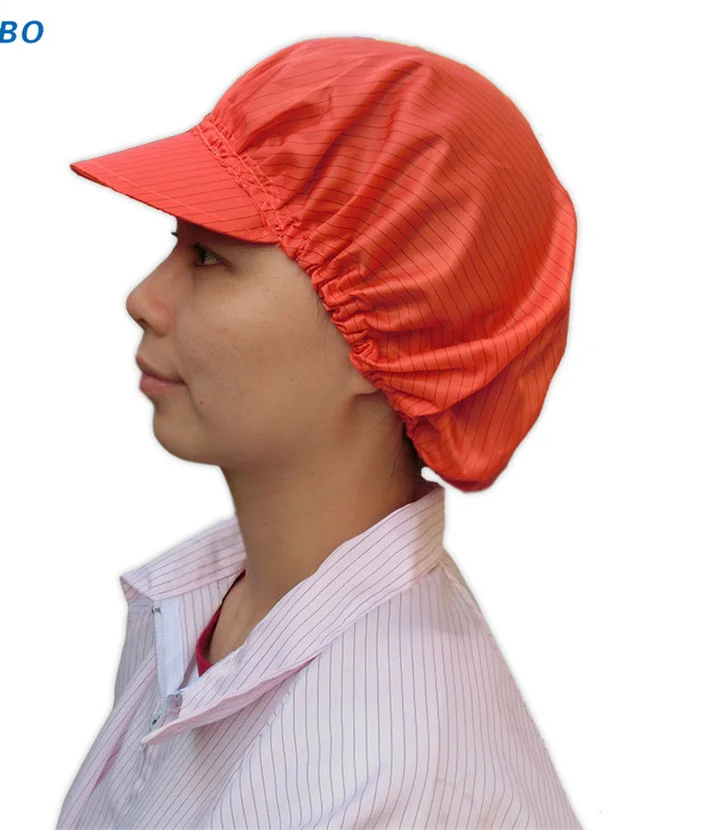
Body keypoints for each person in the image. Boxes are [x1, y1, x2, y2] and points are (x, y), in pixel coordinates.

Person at [56, 35, 582, 829]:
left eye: (210, 258)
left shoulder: (395, 786)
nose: (144, 299)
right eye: (176, 244)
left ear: (392, 333)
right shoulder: (197, 613)